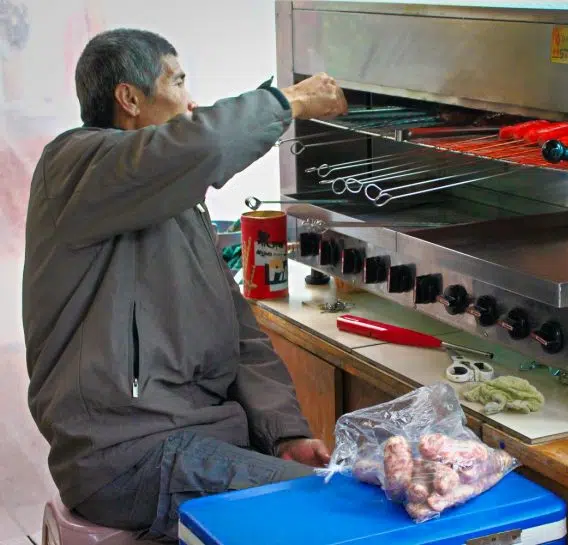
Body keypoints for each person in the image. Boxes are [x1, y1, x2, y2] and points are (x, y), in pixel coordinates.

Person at [22, 28, 348, 541]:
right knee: (335, 511)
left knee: (332, 494)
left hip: (199, 441)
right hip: (126, 454)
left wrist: (286, 433)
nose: (190, 99)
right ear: (129, 98)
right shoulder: (74, 165)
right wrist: (289, 102)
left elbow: (240, 338)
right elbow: (201, 142)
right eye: (177, 81)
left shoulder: (176, 203)